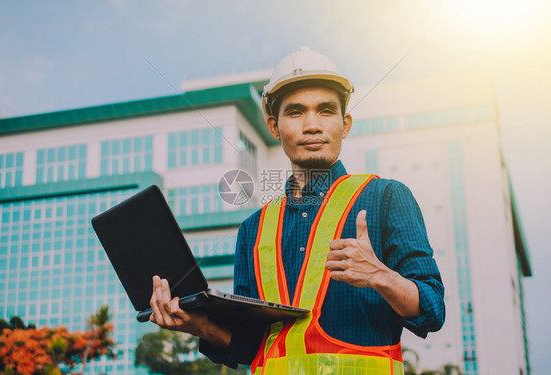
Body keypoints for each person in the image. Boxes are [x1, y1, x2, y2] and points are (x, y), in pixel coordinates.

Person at [149, 47, 445, 374]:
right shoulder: (254, 228)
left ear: (345, 124)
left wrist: (380, 276)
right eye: (296, 113)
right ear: (274, 128)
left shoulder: (386, 198)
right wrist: (199, 325)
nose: (312, 125)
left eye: (326, 111)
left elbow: (432, 309)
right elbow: (251, 345)